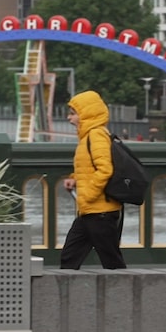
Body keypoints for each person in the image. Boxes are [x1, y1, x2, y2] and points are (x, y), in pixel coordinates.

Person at [61, 90, 126, 270]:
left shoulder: (96, 135)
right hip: (90, 211)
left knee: (112, 262)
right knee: (69, 257)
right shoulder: (87, 137)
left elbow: (105, 169)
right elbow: (90, 168)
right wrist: (74, 179)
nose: (69, 118)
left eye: (73, 113)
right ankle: (67, 288)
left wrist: (87, 195)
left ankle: (126, 288)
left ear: (86, 114)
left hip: (100, 212)